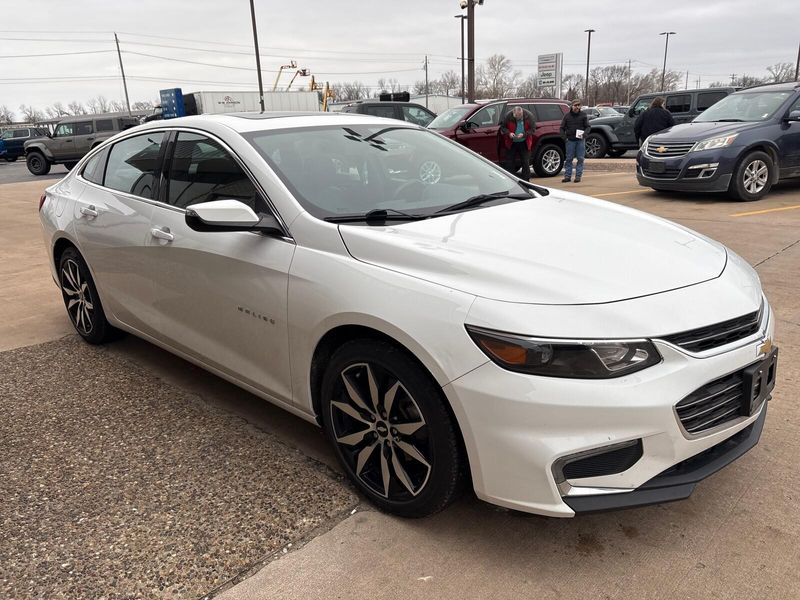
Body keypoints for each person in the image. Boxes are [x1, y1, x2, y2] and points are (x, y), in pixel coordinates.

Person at [499, 106, 536, 180]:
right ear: (513, 113)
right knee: (509, 162)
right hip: (511, 142)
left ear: (522, 114)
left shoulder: (529, 116)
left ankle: (526, 181)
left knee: (525, 162)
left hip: (524, 142)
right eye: (515, 117)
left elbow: (533, 129)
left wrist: (524, 134)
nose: (517, 119)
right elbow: (503, 127)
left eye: (519, 118)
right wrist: (509, 133)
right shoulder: (508, 116)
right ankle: (511, 180)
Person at [560, 99, 590, 183]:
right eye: (575, 105)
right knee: (569, 158)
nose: (577, 107)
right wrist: (564, 137)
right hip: (570, 140)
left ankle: (578, 176)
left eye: (578, 105)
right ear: (572, 106)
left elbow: (588, 127)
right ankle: (567, 176)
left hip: (580, 140)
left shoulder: (583, 115)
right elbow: (562, 128)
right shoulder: (567, 116)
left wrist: (584, 134)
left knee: (580, 159)